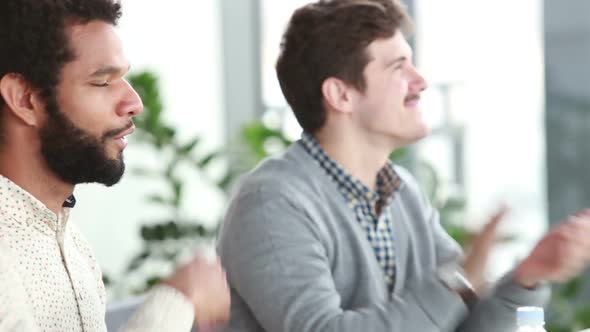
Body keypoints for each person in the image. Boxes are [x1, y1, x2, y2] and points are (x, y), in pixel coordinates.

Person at [217, 0, 590, 331]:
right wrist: (457, 281)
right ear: (341, 94)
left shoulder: (402, 193)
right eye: (399, 67)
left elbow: (459, 321)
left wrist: (528, 277)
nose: (421, 81)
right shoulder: (272, 203)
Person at [0, 0, 230, 331]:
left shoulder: (72, 245)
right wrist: (178, 299)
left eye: (123, 78)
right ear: (25, 99)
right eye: (102, 82)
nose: (133, 102)